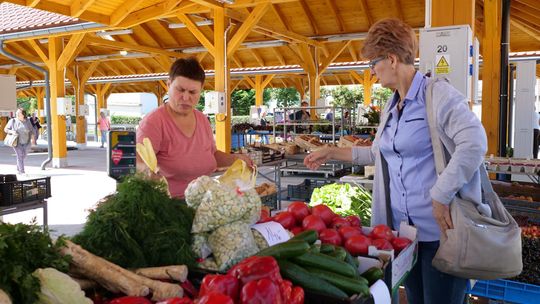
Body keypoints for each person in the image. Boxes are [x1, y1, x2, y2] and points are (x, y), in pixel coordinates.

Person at [304, 18, 487, 304]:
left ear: (390, 59)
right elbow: (380, 154)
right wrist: (330, 152)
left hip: (442, 235)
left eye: (372, 64)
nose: (372, 72)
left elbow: (475, 143)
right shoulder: (392, 104)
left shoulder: (437, 94)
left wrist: (440, 194)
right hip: (406, 237)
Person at [136, 57, 253, 199]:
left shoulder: (202, 119)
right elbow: (139, 162)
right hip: (169, 205)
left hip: (205, 201)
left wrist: (236, 159)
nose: (186, 97)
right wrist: (149, 174)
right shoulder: (153, 122)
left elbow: (212, 155)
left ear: (201, 91)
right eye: (180, 90)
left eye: (192, 92)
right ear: (168, 85)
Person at [4, 108, 34, 174]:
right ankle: (22, 171)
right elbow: (5, 129)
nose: (17, 114)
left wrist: (33, 139)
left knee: (23, 156)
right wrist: (11, 131)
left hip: (27, 142)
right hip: (16, 142)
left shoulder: (28, 121)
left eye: (19, 113)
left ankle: (18, 168)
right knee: (20, 155)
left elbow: (31, 131)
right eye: (17, 113)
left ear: (23, 114)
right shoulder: (13, 121)